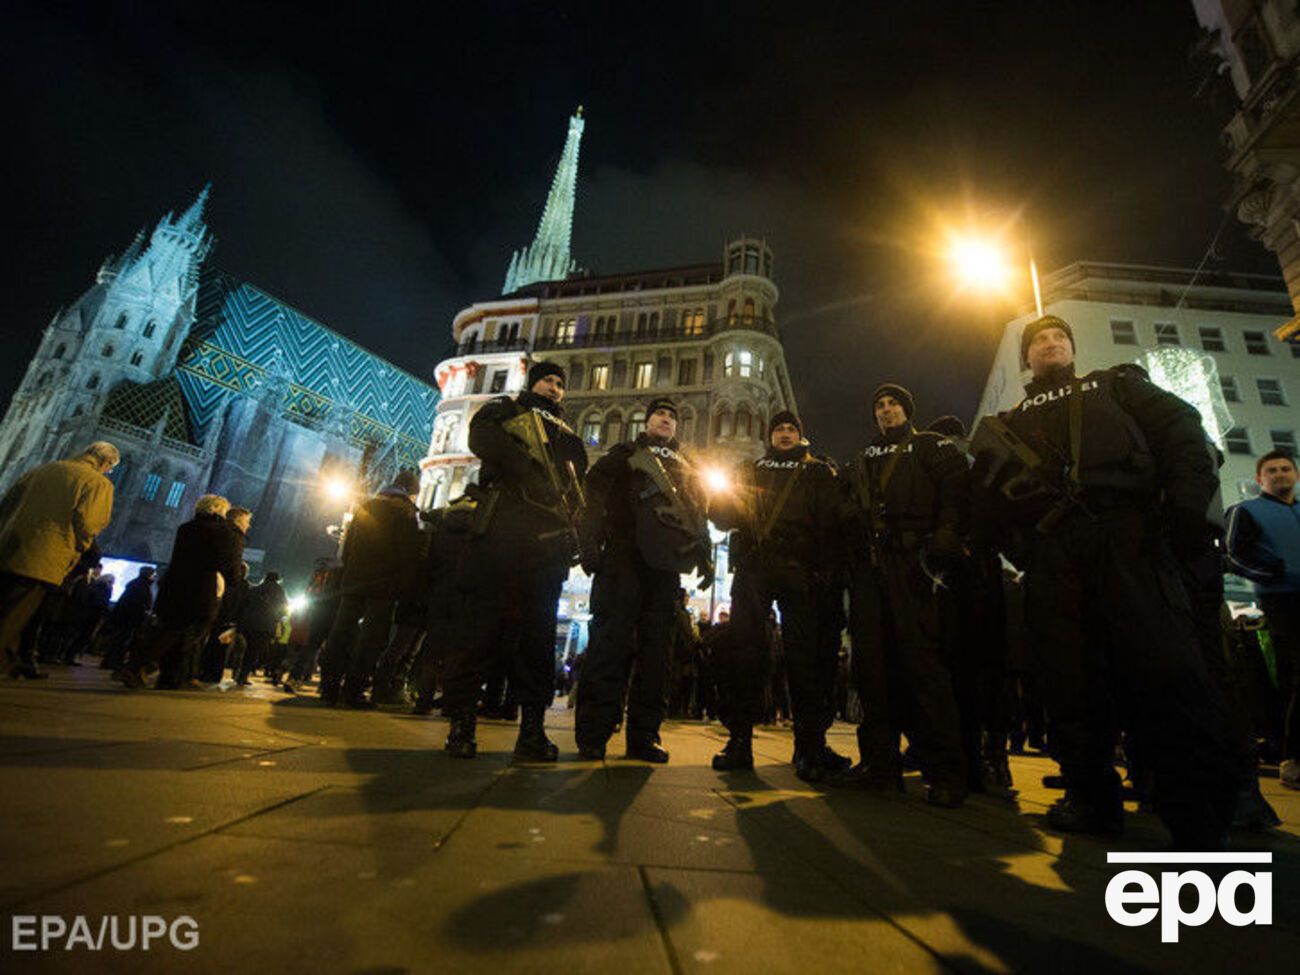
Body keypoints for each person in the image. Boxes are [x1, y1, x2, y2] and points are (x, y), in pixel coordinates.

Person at [970, 314, 1236, 847]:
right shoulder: (1011, 419)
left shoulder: (1116, 384)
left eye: (1058, 337)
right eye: (1039, 340)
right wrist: (1025, 551)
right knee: (1068, 677)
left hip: (1127, 535)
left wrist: (1184, 506)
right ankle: (1091, 795)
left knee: (1163, 665)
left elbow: (1182, 429)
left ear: (1072, 348)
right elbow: (986, 497)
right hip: (1053, 550)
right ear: (1027, 357)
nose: (1049, 344)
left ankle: (1193, 806)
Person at [441, 362, 587, 759]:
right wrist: (527, 471)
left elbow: (578, 487)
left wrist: (577, 529)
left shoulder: (569, 435)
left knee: (538, 638)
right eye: (547, 380)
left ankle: (533, 730)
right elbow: (482, 438)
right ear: (532, 382)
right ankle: (461, 724)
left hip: (547, 543)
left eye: (560, 383)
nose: (554, 387)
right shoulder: (505, 410)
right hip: (501, 530)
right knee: (480, 629)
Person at [839, 384, 969, 807]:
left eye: (893, 403)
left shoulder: (930, 446)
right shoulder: (861, 459)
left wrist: (947, 536)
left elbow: (957, 493)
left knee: (922, 667)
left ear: (907, 410)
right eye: (879, 405)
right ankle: (880, 765)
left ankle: (945, 772)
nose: (886, 410)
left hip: (915, 565)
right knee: (872, 670)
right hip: (871, 570)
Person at [709, 410, 847, 780]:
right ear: (770, 435)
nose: (785, 434)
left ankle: (809, 746)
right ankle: (739, 742)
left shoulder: (816, 471)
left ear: (800, 436)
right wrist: (722, 493)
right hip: (754, 567)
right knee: (745, 655)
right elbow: (720, 518)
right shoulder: (750, 469)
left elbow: (830, 523)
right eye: (779, 429)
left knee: (806, 658)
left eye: (791, 429)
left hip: (800, 568)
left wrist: (825, 572)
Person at [574, 396, 713, 763]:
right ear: (647, 422)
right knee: (609, 645)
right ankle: (594, 733)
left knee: (657, 654)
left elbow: (699, 510)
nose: (666, 420)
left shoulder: (687, 465)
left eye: (672, 416)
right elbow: (593, 492)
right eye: (659, 415)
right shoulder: (624, 454)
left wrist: (705, 553)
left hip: (666, 568)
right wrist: (588, 541)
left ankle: (644, 734)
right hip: (624, 557)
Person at [0, 442, 118, 676]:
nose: (108, 472)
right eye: (110, 468)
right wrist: (77, 550)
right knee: (13, 616)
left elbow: (6, 505)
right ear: (105, 463)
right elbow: (89, 524)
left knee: (7, 608)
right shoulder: (97, 482)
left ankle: (13, 661)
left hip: (8, 549)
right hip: (42, 557)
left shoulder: (41, 470)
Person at [1225, 449, 1300, 791]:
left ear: (1296, 475)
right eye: (1272, 470)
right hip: (1282, 598)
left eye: (1286, 468)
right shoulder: (1246, 511)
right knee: (1297, 671)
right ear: (1260, 479)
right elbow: (1232, 553)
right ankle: (1293, 757)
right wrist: (1271, 574)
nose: (1280, 474)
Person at [318, 470, 423, 708]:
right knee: (371, 640)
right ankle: (354, 690)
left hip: (353, 581)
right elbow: (408, 555)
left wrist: (348, 574)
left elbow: (347, 547)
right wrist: (406, 588)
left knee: (340, 633)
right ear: (411, 493)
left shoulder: (365, 506)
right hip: (383, 587)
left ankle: (328, 686)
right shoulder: (404, 512)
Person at [118, 495, 244, 689]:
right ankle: (138, 665)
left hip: (174, 584)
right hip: (200, 587)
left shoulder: (186, 528)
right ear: (219, 510)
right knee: (180, 632)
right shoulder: (222, 532)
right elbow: (226, 563)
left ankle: (168, 677)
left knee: (173, 628)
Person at [99, 565, 155, 672]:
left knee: (119, 640)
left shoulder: (135, 584)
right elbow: (137, 604)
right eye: (153, 574)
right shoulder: (141, 586)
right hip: (129, 619)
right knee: (121, 641)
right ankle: (113, 661)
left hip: (125, 618)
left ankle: (111, 661)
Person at [237, 570, 288, 686]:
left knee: (247, 650)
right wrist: (277, 618)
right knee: (253, 651)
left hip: (249, 624)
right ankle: (243, 676)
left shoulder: (255, 589)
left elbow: (244, 605)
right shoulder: (279, 591)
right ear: (277, 579)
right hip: (265, 626)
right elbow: (284, 610)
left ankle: (240, 674)